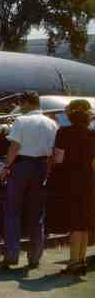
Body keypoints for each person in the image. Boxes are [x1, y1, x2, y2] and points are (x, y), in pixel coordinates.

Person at [0, 91, 58, 269]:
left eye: (21, 104)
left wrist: (6, 167)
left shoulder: (21, 121)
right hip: (41, 166)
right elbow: (53, 153)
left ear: (26, 103)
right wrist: (48, 172)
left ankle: (11, 255)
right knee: (37, 213)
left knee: (13, 211)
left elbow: (15, 146)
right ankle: (34, 258)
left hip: (22, 166)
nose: (20, 107)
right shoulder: (52, 124)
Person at [52, 100, 95, 276]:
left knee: (75, 224)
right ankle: (82, 260)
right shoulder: (93, 134)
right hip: (89, 181)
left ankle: (74, 263)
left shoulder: (63, 133)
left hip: (70, 180)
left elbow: (59, 159)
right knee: (84, 223)